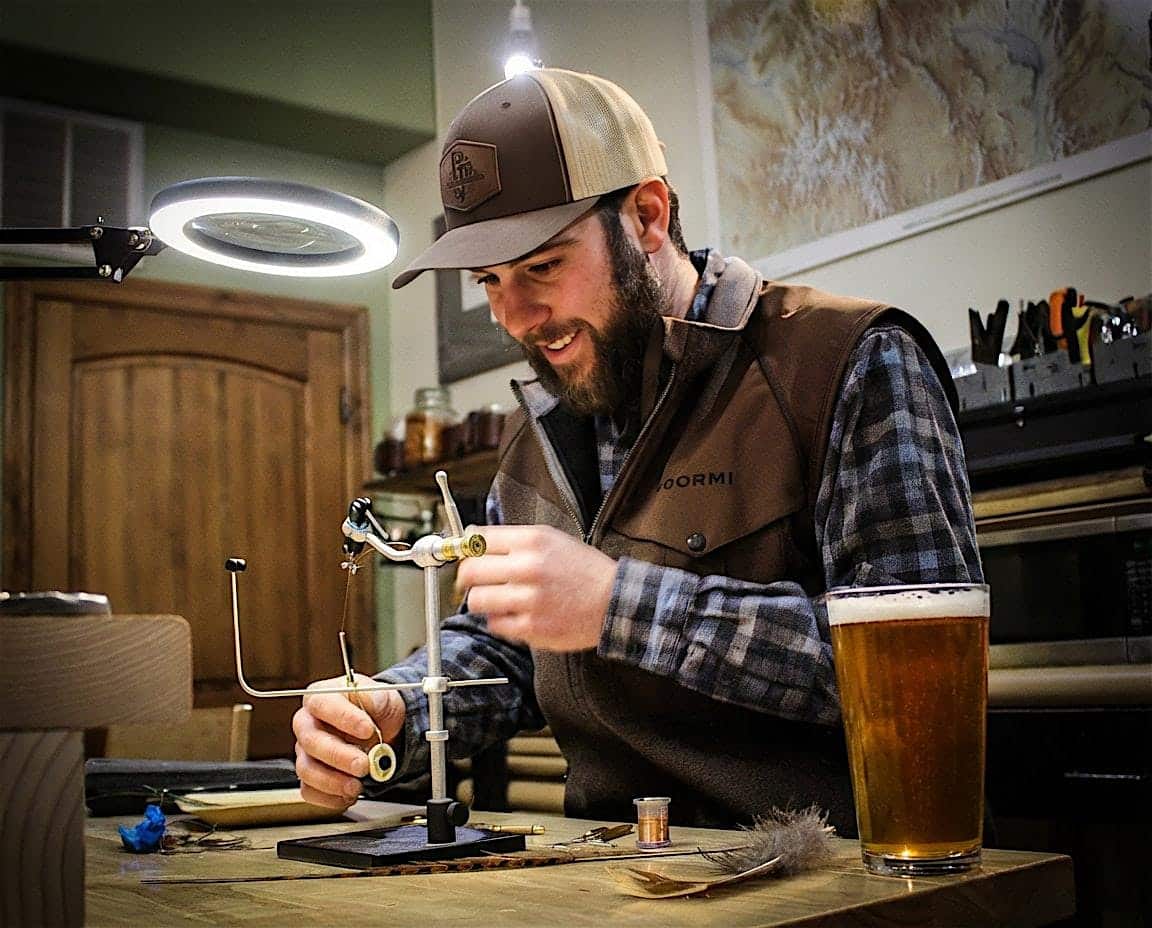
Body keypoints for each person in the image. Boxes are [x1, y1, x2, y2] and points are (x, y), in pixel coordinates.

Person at [292, 68, 982, 834]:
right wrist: (396, 712)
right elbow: (504, 647)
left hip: (826, 881)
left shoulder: (849, 362)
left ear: (648, 216)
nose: (514, 318)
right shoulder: (536, 434)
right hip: (605, 878)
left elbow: (924, 676)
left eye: (542, 267)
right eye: (489, 280)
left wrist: (621, 606)